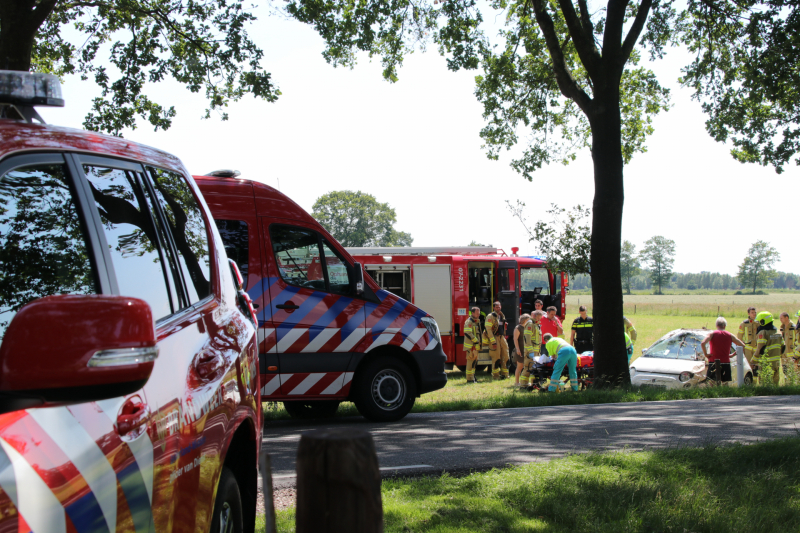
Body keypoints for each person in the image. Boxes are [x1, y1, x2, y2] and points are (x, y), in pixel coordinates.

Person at [700, 317, 747, 385]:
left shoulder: (712, 334)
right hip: (726, 362)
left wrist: (706, 354)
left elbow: (703, 343)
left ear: (716, 325)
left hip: (713, 361)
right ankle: (724, 394)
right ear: (724, 326)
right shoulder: (730, 335)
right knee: (725, 383)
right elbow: (742, 345)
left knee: (712, 382)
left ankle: (714, 395)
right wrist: (733, 354)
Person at [754, 311, 785, 385]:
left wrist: (753, 360)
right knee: (775, 385)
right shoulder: (778, 332)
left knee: (764, 384)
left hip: (766, 364)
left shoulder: (763, 332)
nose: (758, 324)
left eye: (759, 322)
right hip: (776, 363)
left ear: (763, 322)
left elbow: (760, 349)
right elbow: (783, 347)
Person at [484, 301, 510, 380]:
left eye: (499, 307)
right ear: (493, 308)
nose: (498, 308)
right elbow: (488, 330)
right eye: (496, 307)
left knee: (506, 355)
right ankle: (495, 376)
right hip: (495, 337)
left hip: (502, 337)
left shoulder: (502, 315)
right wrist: (493, 341)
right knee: (496, 357)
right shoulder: (490, 316)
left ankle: (505, 374)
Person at [520, 311, 544, 389]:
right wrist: (531, 351)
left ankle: (534, 384)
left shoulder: (536, 325)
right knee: (527, 368)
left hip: (536, 352)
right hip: (531, 352)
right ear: (534, 316)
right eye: (538, 317)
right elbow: (527, 339)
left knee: (535, 369)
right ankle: (523, 385)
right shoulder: (530, 324)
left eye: (540, 317)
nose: (539, 319)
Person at [463, 307, 482, 384]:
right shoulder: (469, 322)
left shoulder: (476, 321)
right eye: (477, 313)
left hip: (475, 346)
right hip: (471, 346)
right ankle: (469, 379)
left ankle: (473, 377)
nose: (478, 315)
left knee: (474, 363)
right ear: (472, 313)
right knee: (470, 363)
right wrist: (476, 341)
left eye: (479, 313)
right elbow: (468, 333)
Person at [512, 314, 530, 387]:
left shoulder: (527, 327)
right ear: (524, 320)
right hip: (520, 350)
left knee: (526, 366)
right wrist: (517, 349)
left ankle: (524, 382)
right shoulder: (518, 328)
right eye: (528, 320)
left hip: (526, 350)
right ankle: (517, 382)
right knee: (520, 366)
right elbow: (515, 339)